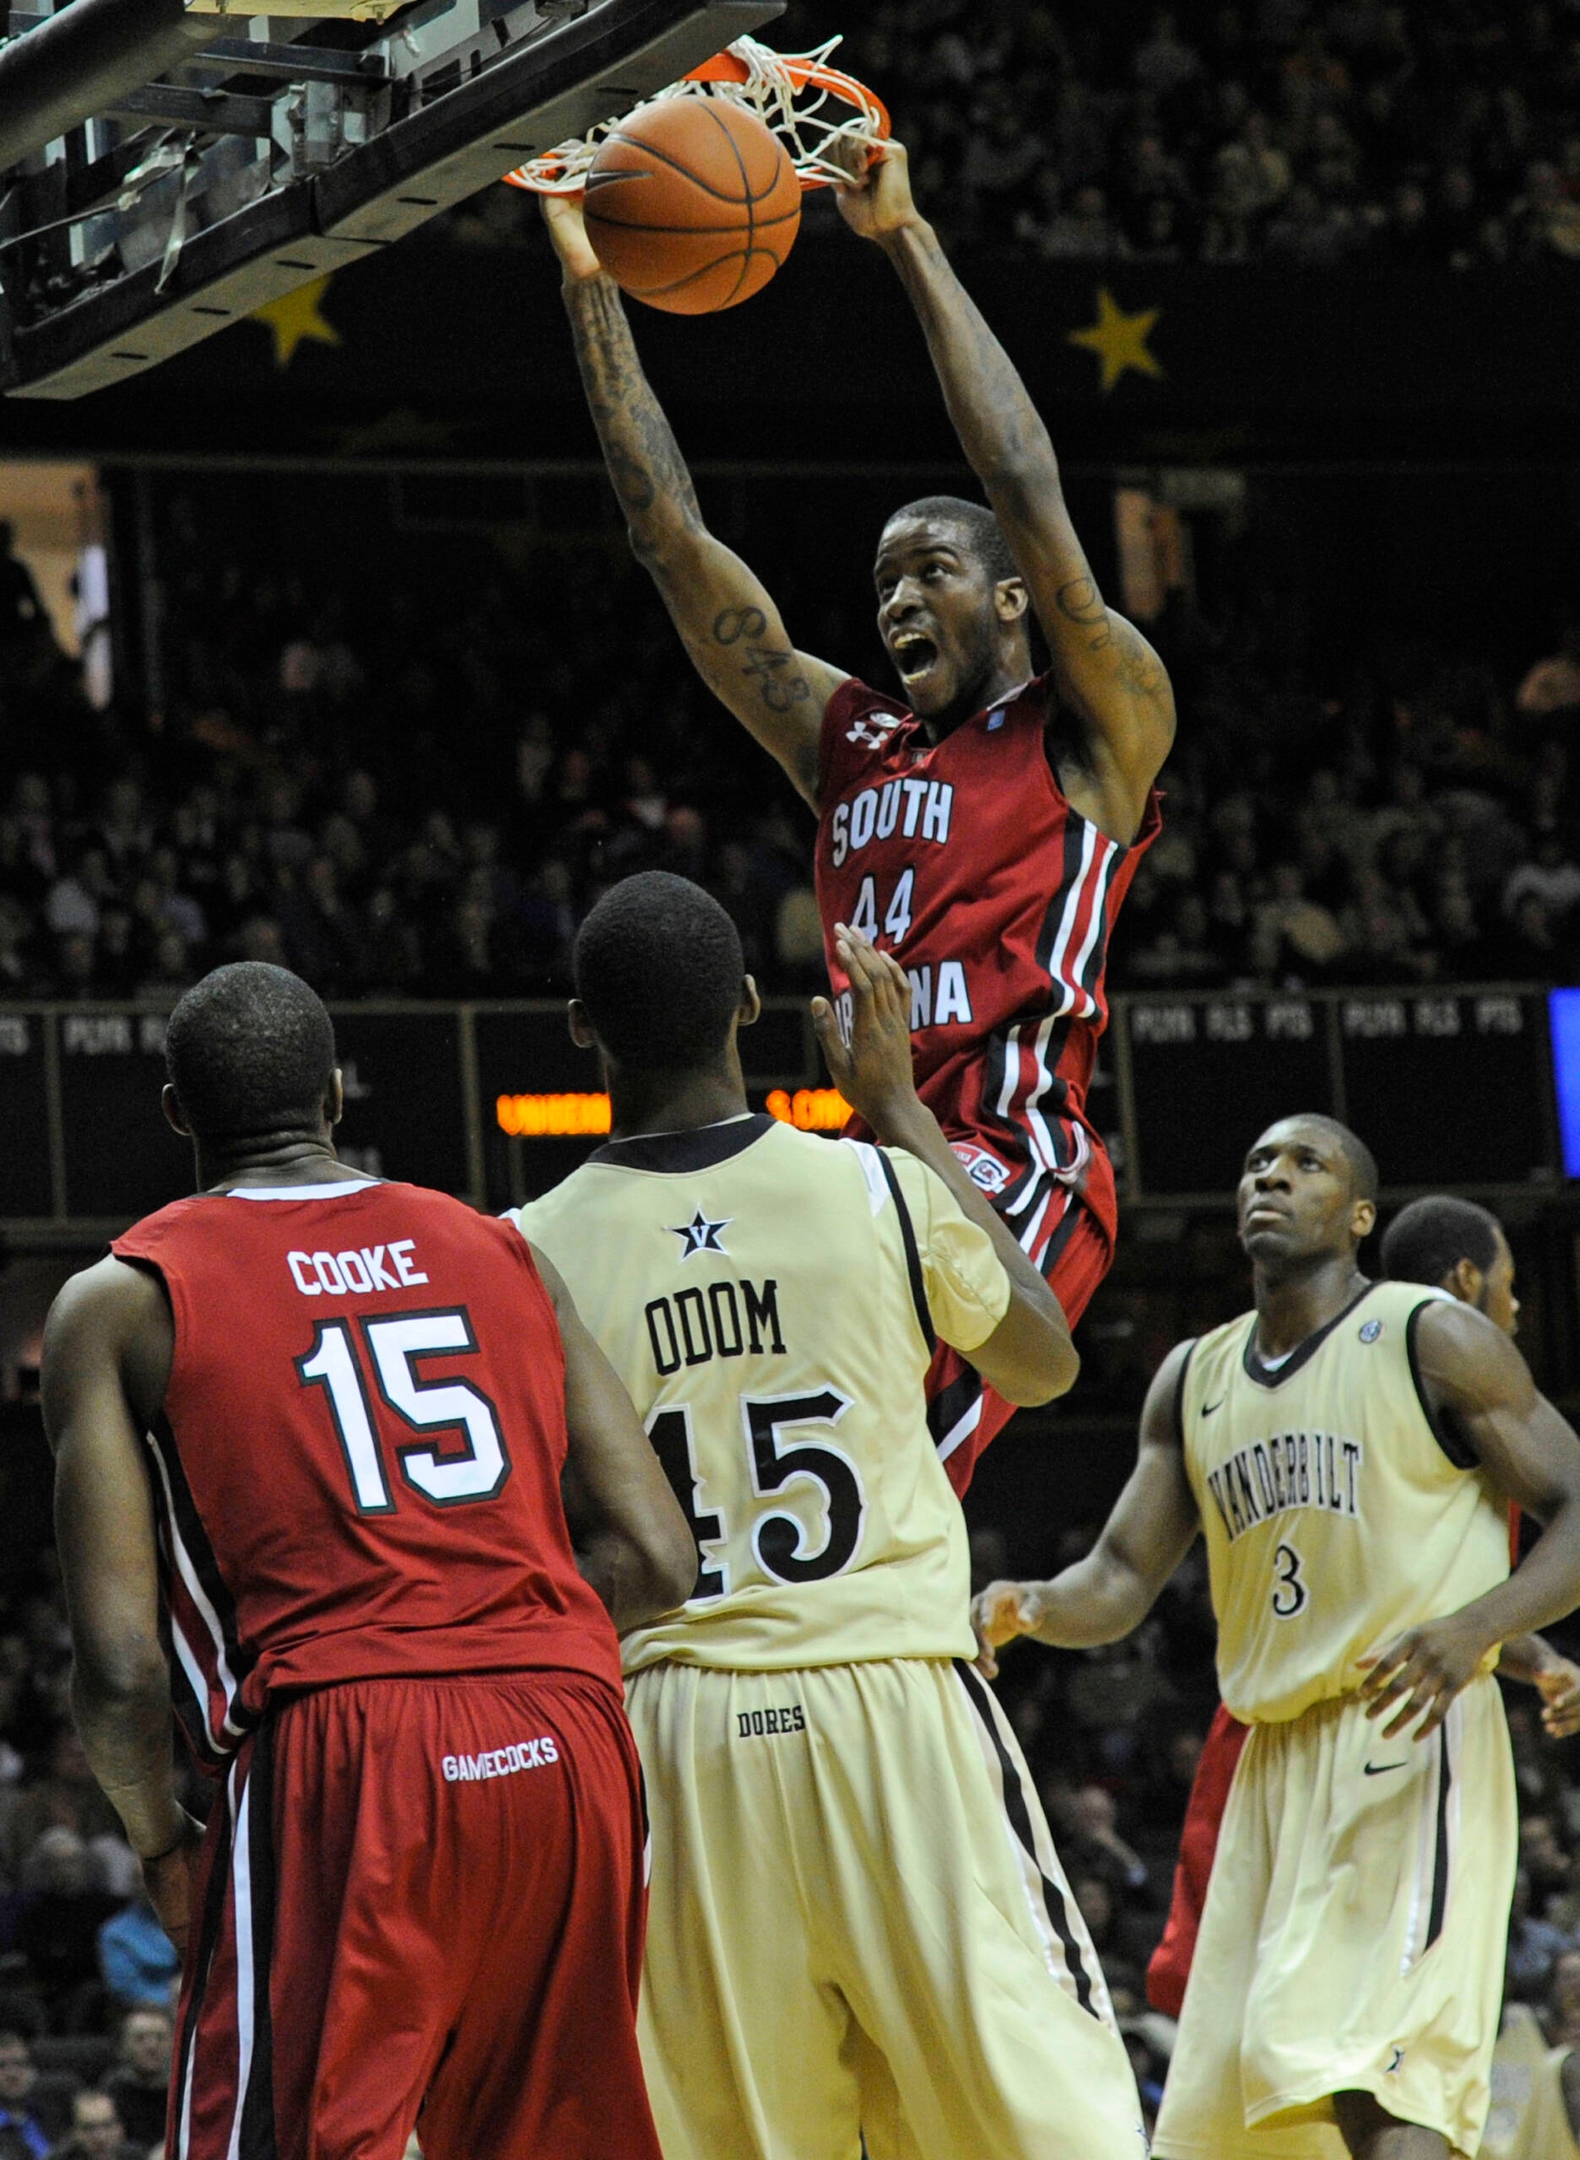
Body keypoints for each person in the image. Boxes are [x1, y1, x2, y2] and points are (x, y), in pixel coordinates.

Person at [542, 133, 1173, 1496]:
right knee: (758, 1475)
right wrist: (589, 270)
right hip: (860, 1167)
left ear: (1013, 598)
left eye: (930, 570)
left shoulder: (1088, 733)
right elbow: (672, 539)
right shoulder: (852, 748)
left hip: (1007, 1168)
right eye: (883, 583)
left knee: (880, 1494)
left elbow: (1027, 488)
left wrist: (904, 237)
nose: (894, 602)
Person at [513, 873, 1146, 2160]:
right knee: (1048, 2121)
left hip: (671, 1732)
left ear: (581, 1027)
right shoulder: (872, 1187)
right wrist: (901, 1106)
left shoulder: (518, 1253)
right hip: (890, 1699)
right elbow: (1040, 1363)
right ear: (751, 1007)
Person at [40, 961, 694, 2160]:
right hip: (567, 1733)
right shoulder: (498, 1248)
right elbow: (657, 1557)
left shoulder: (120, 1300)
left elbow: (123, 1671)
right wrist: (481, 1632)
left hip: (346, 1743)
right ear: (335, 1099)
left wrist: (158, 1841)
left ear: (178, 1112)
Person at [973, 1113, 1580, 2160]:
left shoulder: (1424, 1335)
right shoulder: (1192, 1375)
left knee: (1379, 2077)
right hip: (1268, 1763)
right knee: (1228, 2126)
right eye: (1256, 1161)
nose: (1271, 1176)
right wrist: (1029, 1602)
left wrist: (1478, 1630)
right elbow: (1118, 1578)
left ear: (1356, 1215)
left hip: (1404, 1732)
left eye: (1306, 1164)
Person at [1145, 1191, 1580, 2021]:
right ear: (1464, 1278)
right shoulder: (1413, 1370)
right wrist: (1492, 1632)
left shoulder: (1425, 1384)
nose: (1518, 1306)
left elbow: (1408, 1593)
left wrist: (1527, 1650)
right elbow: (1388, 1595)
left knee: (1299, 2038)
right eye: (1509, 1281)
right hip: (1324, 1724)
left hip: (1305, 1715)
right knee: (1301, 2042)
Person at [104, 2008, 172, 2151]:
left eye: (160, 2037)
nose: (152, 2046)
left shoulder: (188, 2093)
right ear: (123, 2046)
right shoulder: (111, 2095)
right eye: (140, 2038)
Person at [0, 2036, 49, 2160]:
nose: (12, 2074)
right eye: (2, 2066)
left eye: (19, 2064)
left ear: (33, 2072)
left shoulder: (51, 2117)